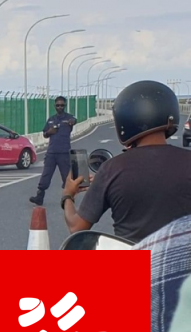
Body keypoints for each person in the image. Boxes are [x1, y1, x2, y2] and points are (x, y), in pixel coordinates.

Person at [61, 80, 191, 243]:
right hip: (182, 264)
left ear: (125, 120)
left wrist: (67, 195)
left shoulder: (112, 169)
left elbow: (76, 227)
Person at [28, 96, 77, 206]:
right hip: (51, 152)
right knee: (46, 175)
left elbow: (74, 120)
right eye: (58, 105)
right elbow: (45, 134)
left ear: (65, 106)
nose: (60, 107)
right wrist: (50, 132)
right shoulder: (51, 119)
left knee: (66, 177)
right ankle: (39, 197)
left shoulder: (69, 118)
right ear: (54, 106)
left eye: (62, 105)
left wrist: (72, 122)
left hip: (64, 152)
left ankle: (68, 198)